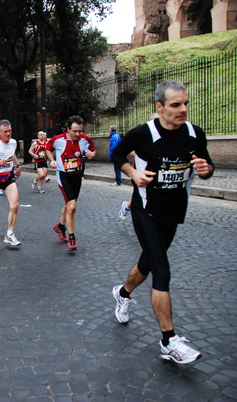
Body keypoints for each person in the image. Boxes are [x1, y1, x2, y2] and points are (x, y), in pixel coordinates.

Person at [111, 80, 213, 364]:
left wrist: (206, 170)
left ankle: (122, 293)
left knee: (147, 263)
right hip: (146, 210)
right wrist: (132, 172)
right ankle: (169, 341)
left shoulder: (194, 134)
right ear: (160, 107)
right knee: (162, 270)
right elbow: (117, 153)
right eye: (175, 105)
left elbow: (206, 166)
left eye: (186, 103)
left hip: (174, 211)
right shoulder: (145, 133)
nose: (183, 110)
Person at [46, 115, 96, 251]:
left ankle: (60, 226)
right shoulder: (58, 140)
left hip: (77, 176)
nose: (78, 134)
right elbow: (48, 148)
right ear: (68, 129)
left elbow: (92, 149)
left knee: (69, 203)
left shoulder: (85, 140)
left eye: (80, 131)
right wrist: (52, 160)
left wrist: (92, 154)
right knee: (72, 206)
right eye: (75, 131)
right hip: (64, 176)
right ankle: (72, 238)